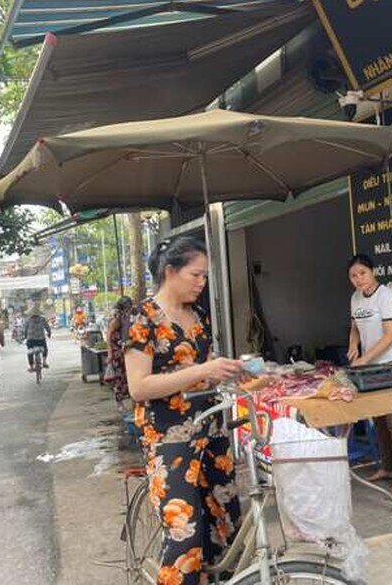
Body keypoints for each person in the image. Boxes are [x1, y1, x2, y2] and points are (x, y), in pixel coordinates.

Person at [125, 236, 244, 585]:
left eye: (205, 276)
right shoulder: (142, 317)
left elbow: (205, 370)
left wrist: (235, 373)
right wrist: (203, 371)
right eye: (196, 275)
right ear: (171, 271)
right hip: (168, 439)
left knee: (224, 522)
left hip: (210, 430)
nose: (201, 283)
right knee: (186, 538)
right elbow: (139, 387)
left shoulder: (199, 315)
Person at [347, 253, 392, 499]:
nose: (358, 279)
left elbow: (391, 335)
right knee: (379, 418)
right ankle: (386, 467)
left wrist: (365, 358)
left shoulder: (386, 296)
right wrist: (354, 345)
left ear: (373, 272)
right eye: (353, 275)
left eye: (362, 273)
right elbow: (354, 326)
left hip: (391, 362)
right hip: (370, 364)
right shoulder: (355, 298)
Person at [107, 296, 133, 411]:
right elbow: (109, 335)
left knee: (127, 376)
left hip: (124, 349)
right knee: (119, 377)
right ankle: (120, 403)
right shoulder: (117, 318)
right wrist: (110, 353)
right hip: (117, 352)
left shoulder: (126, 316)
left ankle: (130, 400)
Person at [25, 306, 52, 371]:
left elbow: (25, 329)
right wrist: (49, 333)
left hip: (31, 340)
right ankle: (44, 362)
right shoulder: (42, 319)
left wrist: (25, 337)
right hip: (41, 339)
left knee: (30, 352)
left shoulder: (28, 320)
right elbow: (47, 327)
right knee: (45, 349)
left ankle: (31, 366)